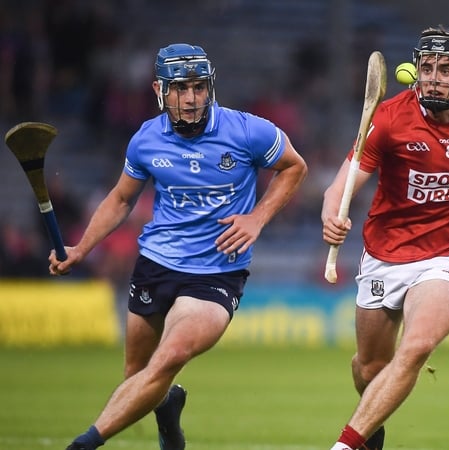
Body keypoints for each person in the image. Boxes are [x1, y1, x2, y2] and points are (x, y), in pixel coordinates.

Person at [49, 43, 308, 450]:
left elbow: (295, 166)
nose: (190, 99)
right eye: (179, 89)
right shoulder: (146, 140)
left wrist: (257, 218)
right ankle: (167, 409)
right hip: (156, 264)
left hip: (216, 274)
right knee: (138, 374)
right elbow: (121, 199)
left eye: (198, 87)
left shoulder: (246, 130)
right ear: (159, 89)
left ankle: (84, 443)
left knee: (169, 357)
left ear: (210, 88)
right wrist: (81, 248)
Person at [321, 25, 449, 450]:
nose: (433, 77)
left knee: (415, 349)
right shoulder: (390, 119)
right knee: (369, 367)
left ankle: (342, 446)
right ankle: (370, 433)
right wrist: (331, 217)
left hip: (448, 257)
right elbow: (338, 188)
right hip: (385, 254)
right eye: (427, 68)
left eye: (445, 69)